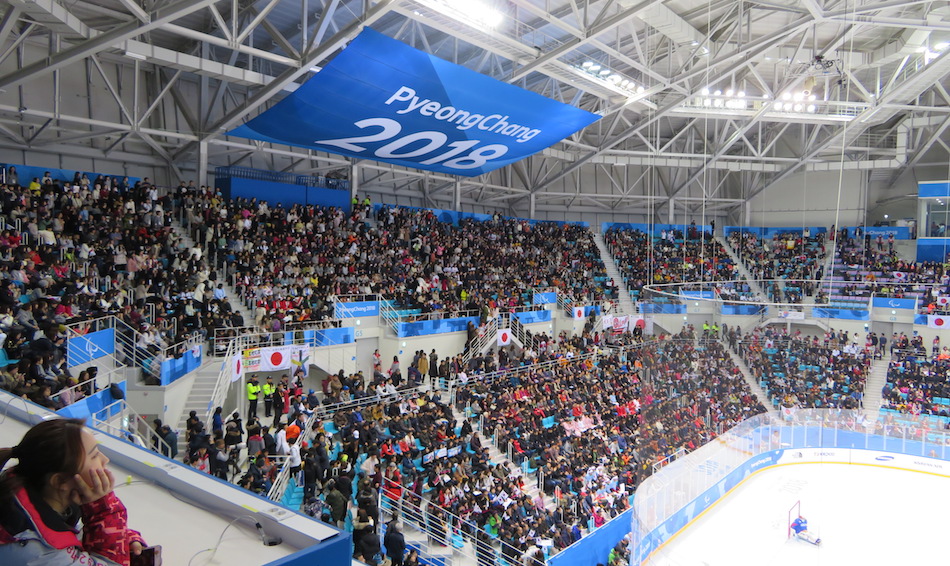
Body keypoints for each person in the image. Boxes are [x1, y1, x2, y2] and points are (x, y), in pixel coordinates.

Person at [0, 418, 149, 565]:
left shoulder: (27, 493)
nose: (105, 460)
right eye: (94, 456)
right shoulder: (37, 553)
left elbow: (71, 538)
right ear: (60, 481)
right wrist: (104, 511)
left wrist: (120, 538)